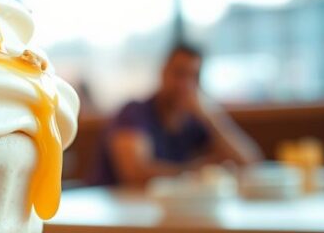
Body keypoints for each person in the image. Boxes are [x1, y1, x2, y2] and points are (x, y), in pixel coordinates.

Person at [93, 44, 261, 187]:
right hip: (114, 212)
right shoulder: (134, 113)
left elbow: (250, 163)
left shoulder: (194, 122)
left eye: (194, 76)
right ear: (163, 72)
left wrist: (210, 116)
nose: (185, 84)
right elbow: (135, 174)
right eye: (179, 74)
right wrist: (196, 170)